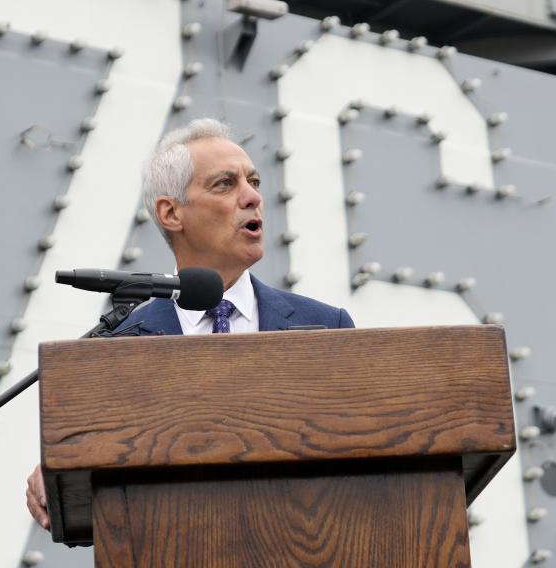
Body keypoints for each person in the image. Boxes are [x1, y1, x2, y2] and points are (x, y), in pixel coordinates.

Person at [25, 118, 354, 529]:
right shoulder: (120, 348)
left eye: (253, 181)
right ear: (171, 213)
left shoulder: (327, 326)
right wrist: (62, 469)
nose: (252, 197)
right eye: (225, 184)